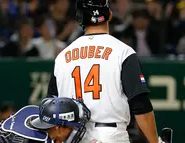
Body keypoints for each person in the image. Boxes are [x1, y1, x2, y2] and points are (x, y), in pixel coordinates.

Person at [47, 0, 164, 143]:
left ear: (79, 19)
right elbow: (140, 106)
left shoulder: (62, 57)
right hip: (111, 135)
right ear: (109, 15)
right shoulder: (123, 52)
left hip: (73, 136)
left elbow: (50, 106)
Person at [0, 97, 90, 143]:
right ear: (58, 128)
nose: (74, 130)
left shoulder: (38, 123)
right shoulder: (32, 140)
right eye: (71, 127)